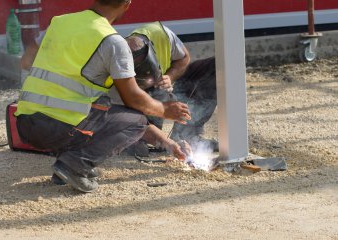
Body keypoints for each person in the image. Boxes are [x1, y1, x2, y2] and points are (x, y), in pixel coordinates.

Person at [15, 0, 192, 193]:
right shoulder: (112, 41)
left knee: (96, 106)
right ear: (127, 4)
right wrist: (166, 110)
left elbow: (26, 62)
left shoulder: (59, 23)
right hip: (59, 128)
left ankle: (67, 161)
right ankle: (74, 164)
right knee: (136, 120)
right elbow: (134, 100)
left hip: (25, 124)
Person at [124, 22, 218, 155]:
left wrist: (170, 76)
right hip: (145, 97)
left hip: (174, 83)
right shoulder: (117, 68)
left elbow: (184, 58)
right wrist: (166, 142)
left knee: (217, 66)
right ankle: (147, 139)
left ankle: (188, 136)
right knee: (140, 149)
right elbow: (123, 117)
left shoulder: (160, 35)